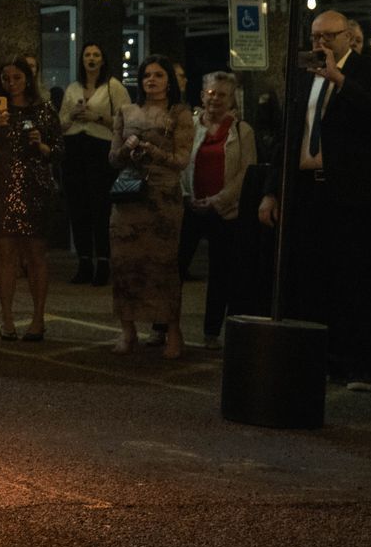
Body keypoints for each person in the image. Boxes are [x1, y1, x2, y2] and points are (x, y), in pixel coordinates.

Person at [260, 9, 371, 390]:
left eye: (328, 37)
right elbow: (288, 135)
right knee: (310, 275)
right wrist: (271, 190)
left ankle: (354, 364)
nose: (320, 43)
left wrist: (340, 79)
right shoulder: (305, 75)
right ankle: (315, 358)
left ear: (349, 37)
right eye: (315, 37)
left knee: (352, 277)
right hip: (308, 189)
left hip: (352, 192)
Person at [0, 56, 62, 341]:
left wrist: (41, 145)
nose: (11, 84)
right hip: (1, 185)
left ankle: (38, 319)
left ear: (28, 78)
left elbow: (59, 150)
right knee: (5, 255)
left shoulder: (44, 109)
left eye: (17, 78)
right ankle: (7, 320)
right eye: (6, 79)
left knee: (36, 255)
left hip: (35, 187)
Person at [107, 57, 195, 357]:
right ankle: (128, 330)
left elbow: (181, 160)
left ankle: (172, 331)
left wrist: (153, 151)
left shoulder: (180, 114)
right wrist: (127, 149)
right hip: (129, 197)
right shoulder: (126, 111)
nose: (151, 80)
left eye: (158, 75)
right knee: (124, 263)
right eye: (146, 75)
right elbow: (113, 158)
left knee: (162, 266)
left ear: (169, 81)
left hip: (162, 198)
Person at [178, 72, 256, 349]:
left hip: (224, 210)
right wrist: (186, 195)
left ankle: (211, 331)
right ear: (202, 96)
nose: (215, 99)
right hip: (190, 207)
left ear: (232, 99)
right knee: (175, 268)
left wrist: (218, 199)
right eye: (211, 93)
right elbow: (180, 163)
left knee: (221, 273)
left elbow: (246, 172)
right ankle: (163, 327)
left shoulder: (242, 131)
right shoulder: (189, 127)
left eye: (222, 95)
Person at [59, 41, 130, 286]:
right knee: (78, 207)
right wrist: (72, 115)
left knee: (101, 208)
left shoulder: (113, 87)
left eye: (96, 55)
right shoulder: (73, 88)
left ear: (102, 60)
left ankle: (103, 262)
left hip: (100, 149)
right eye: (87, 55)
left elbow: (124, 121)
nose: (91, 59)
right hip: (74, 148)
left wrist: (97, 117)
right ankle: (84, 262)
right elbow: (60, 124)